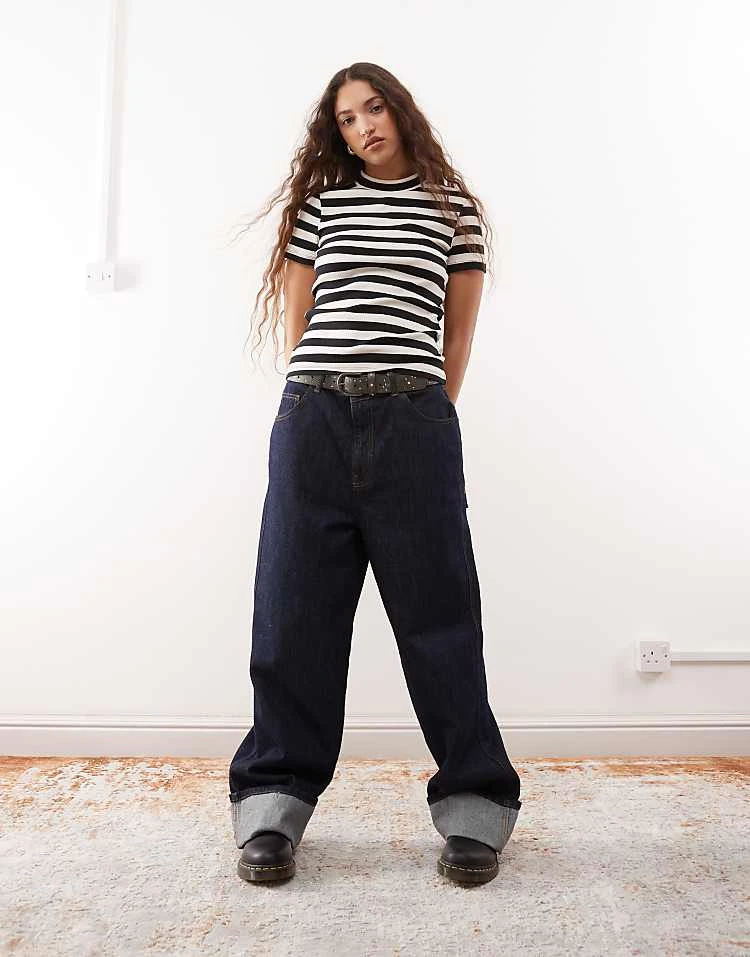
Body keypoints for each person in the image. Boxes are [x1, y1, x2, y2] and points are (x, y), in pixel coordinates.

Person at [228, 61, 522, 886]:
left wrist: (419, 409)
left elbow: (456, 335)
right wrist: (324, 392)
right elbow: (300, 319)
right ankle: (272, 805)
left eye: (374, 107)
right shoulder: (322, 205)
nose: (364, 126)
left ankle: (475, 803)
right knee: (292, 616)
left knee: (440, 618)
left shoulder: (454, 210)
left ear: (401, 109)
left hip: (414, 422)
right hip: (314, 419)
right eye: (348, 118)